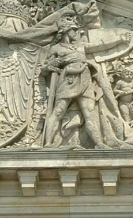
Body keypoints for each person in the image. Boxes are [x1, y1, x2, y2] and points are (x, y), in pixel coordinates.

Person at [43, 18, 108, 149]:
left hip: (85, 78)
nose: (77, 32)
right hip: (68, 78)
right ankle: (48, 143)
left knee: (88, 112)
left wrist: (121, 39)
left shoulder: (81, 46)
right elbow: (45, 68)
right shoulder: (55, 48)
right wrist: (51, 65)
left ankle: (99, 143)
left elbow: (101, 46)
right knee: (58, 111)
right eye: (74, 29)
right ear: (66, 31)